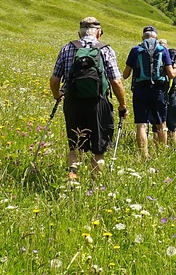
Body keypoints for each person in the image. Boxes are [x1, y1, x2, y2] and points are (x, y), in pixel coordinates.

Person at [50, 17, 127, 180]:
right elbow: (116, 81)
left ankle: (72, 181)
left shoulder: (67, 48)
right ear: (99, 33)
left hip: (73, 103)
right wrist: (122, 105)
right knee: (98, 149)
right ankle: (95, 187)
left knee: (75, 146)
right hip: (98, 103)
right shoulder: (105, 49)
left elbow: (55, 80)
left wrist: (58, 96)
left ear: (79, 33)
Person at [122, 25, 175, 159]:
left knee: (141, 124)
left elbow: (126, 74)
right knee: (161, 123)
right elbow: (171, 74)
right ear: (156, 36)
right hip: (158, 90)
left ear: (143, 37)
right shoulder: (163, 49)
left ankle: (144, 155)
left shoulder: (136, 50)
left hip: (140, 90)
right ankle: (161, 153)